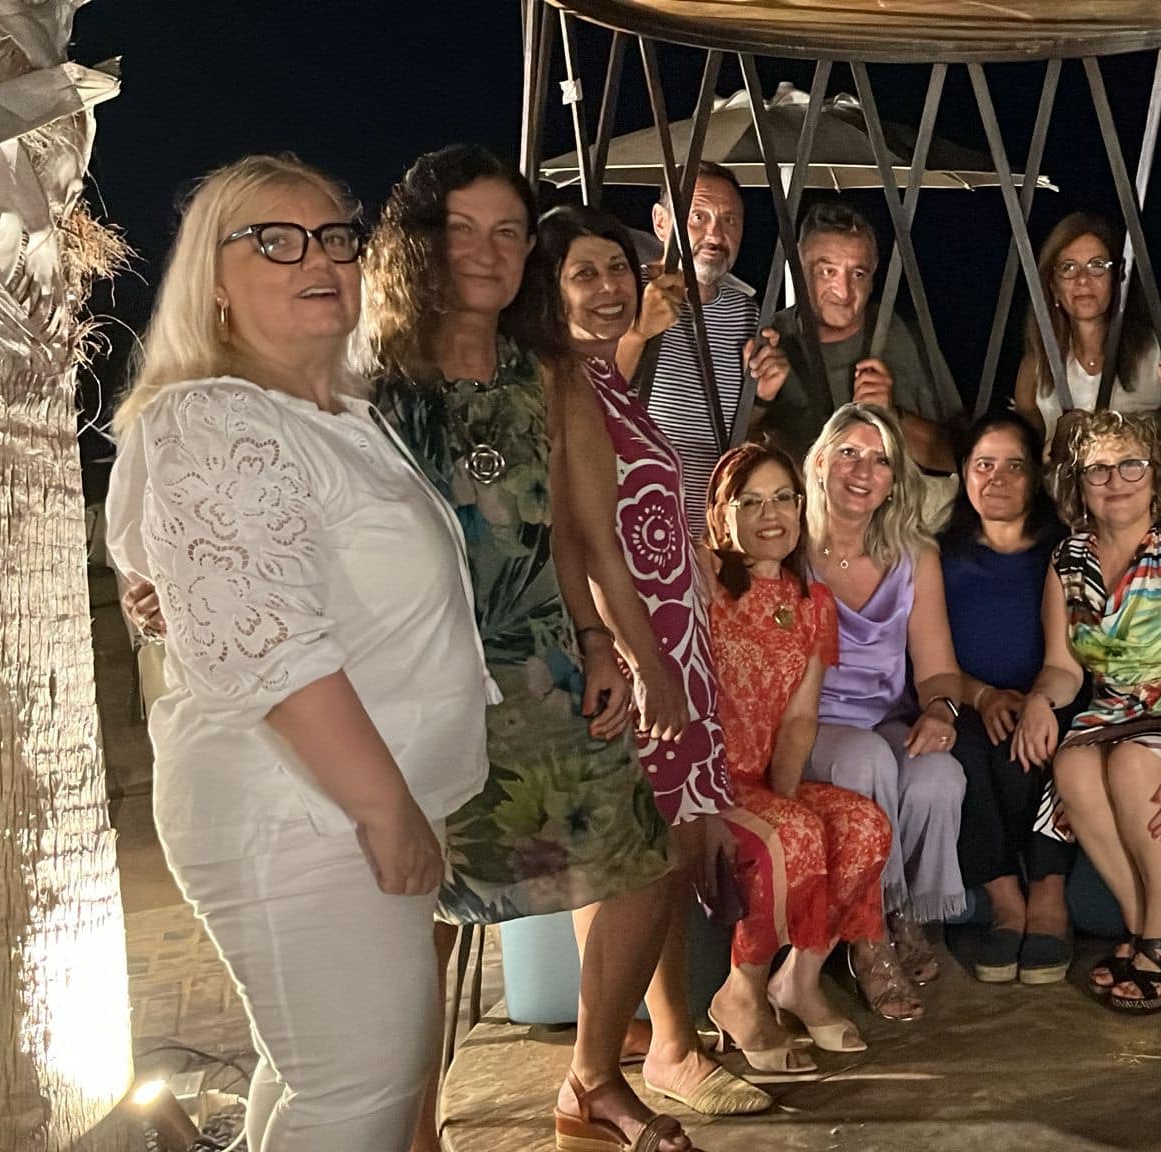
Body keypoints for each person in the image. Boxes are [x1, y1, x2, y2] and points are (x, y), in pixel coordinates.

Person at [104, 155, 490, 1150]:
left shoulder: (333, 417)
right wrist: (383, 807)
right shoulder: (214, 418)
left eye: (334, 237)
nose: (317, 258)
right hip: (301, 812)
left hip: (339, 803)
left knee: (315, 1077)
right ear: (214, 282)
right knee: (357, 1094)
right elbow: (274, 648)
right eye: (275, 240)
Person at [363, 144, 701, 1150]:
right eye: (462, 229)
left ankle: (592, 1080)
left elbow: (581, 537)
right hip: (410, 680)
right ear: (419, 243)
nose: (487, 250)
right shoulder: (371, 375)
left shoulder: (547, 372)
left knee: (645, 861)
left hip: (540, 666)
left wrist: (616, 651)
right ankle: (414, 1127)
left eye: (508, 231)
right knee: (417, 910)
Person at [539, 204, 784, 1113]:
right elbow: (578, 538)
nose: (611, 288)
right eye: (585, 274)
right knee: (656, 851)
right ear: (547, 291)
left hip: (669, 632)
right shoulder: (563, 381)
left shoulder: (605, 378)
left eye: (618, 268)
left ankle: (645, 1042)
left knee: (638, 853)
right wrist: (638, 659)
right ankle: (643, 1056)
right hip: (637, 647)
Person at [1013, 410, 1161, 1014]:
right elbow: (1063, 667)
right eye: (1098, 469)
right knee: (1071, 765)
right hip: (1108, 712)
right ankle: (1147, 926)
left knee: (1130, 762)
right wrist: (1040, 700)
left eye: (1131, 465)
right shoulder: (1067, 560)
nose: (1115, 480)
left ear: (1157, 476)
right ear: (1079, 483)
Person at [705, 442, 899, 1059]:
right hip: (701, 783)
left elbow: (799, 719)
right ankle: (740, 993)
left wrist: (784, 804)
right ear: (722, 513)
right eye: (750, 502)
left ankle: (799, 981)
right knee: (795, 833)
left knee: (864, 825)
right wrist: (787, 827)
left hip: (759, 784)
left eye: (783, 498)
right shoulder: (702, 586)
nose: (771, 515)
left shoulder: (812, 606)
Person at [801, 402, 969, 1020]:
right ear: (820, 462)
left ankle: (905, 915)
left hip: (883, 717)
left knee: (938, 775)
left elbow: (938, 668)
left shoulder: (914, 554)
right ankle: (867, 938)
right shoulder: (790, 546)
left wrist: (941, 711)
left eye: (880, 460)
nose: (862, 470)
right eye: (849, 453)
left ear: (896, 480)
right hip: (807, 724)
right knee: (867, 759)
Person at [935, 412, 1076, 984]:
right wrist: (983, 695)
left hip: (1052, 695)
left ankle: (1048, 894)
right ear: (964, 474)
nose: (997, 478)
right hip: (968, 700)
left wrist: (1037, 699)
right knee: (959, 750)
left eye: (1013, 466)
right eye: (983, 465)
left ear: (1035, 476)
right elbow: (929, 658)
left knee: (1055, 745)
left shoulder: (1061, 550)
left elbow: (1072, 658)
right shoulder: (942, 556)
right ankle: (1004, 899)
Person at [743, 200, 962, 473]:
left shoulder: (901, 335)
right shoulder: (768, 341)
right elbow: (727, 459)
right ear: (798, 271)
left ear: (872, 279)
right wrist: (759, 401)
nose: (844, 291)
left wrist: (892, 415)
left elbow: (960, 456)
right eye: (827, 272)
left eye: (858, 274)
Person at [616, 161, 764, 527]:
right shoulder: (624, 291)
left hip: (709, 531)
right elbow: (589, 396)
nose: (715, 234)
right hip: (628, 520)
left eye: (730, 220)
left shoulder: (746, 313)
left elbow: (740, 429)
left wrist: (763, 396)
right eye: (698, 217)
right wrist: (637, 333)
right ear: (660, 222)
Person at [1011, 212, 1161, 459]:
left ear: (1116, 280)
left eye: (1097, 265)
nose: (1083, 280)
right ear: (1053, 287)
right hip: (1061, 484)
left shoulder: (1159, 354)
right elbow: (1025, 458)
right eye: (1068, 268)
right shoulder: (1036, 366)